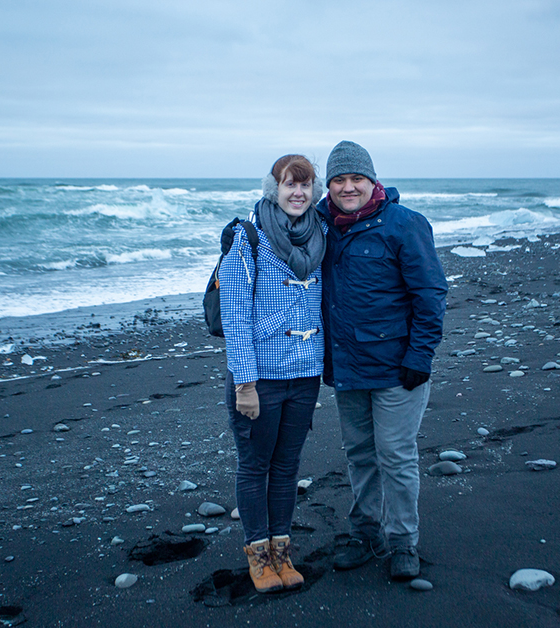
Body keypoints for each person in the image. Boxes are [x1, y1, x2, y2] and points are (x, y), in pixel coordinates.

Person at [316, 141, 448, 580]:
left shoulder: (405, 224)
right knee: (359, 455)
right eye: (339, 179)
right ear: (329, 185)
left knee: (395, 454)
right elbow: (279, 221)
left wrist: (421, 355)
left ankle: (403, 542)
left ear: (373, 181)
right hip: (347, 365)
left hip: (398, 368)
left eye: (357, 178)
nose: (348, 187)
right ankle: (365, 532)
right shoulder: (321, 226)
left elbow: (430, 295)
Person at [219, 154, 327, 593]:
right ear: (274, 189)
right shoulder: (247, 236)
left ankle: (283, 553)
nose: (298, 193)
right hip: (258, 378)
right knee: (254, 465)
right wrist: (244, 382)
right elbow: (235, 311)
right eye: (289, 185)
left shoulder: (322, 233)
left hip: (304, 374)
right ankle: (258, 557)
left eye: (305, 185)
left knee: (286, 467)